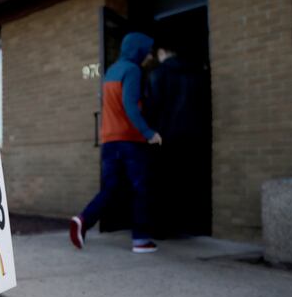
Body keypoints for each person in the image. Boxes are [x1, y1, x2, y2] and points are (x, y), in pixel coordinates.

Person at [69, 32, 162, 253]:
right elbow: (130, 106)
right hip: (129, 140)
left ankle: (83, 219)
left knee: (110, 188)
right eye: (147, 52)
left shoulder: (111, 71)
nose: (149, 57)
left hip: (109, 141)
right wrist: (149, 132)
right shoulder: (133, 70)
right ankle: (141, 240)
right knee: (140, 188)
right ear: (138, 50)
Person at [144, 37, 210, 237]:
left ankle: (163, 228)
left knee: (164, 184)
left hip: (166, 136)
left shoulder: (158, 74)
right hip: (195, 136)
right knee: (188, 182)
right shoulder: (199, 73)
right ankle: (190, 225)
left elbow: (151, 108)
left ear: (162, 52)